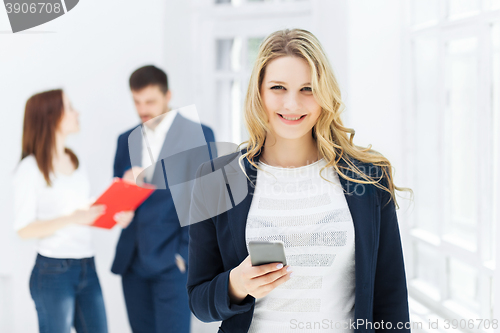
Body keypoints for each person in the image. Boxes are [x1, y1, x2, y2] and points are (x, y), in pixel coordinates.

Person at [187, 28, 413, 333]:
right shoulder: (217, 180)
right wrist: (235, 284)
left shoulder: (369, 178)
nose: (292, 104)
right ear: (259, 92)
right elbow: (199, 301)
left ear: (325, 94)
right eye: (278, 87)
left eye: (308, 89)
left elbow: (391, 298)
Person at [12, 89, 134, 333]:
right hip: (53, 272)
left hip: (87, 266)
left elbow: (82, 214)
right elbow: (24, 229)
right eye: (69, 107)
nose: (77, 113)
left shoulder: (74, 160)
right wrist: (72, 218)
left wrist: (116, 212)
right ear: (51, 117)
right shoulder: (30, 168)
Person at [111, 65, 216, 333]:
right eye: (136, 101)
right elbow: (120, 205)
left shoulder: (200, 135)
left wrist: (183, 257)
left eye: (150, 101)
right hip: (133, 263)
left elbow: (205, 203)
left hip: (174, 264)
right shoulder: (125, 140)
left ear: (168, 95)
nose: (142, 109)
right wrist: (123, 194)